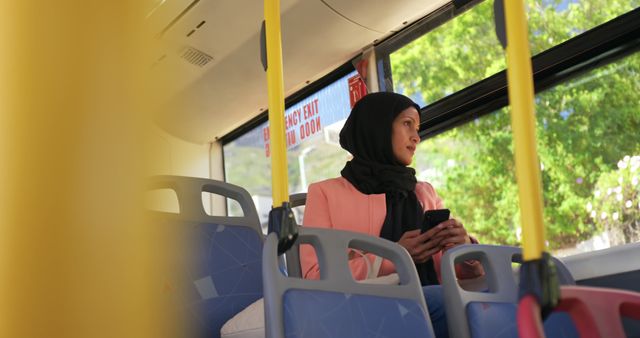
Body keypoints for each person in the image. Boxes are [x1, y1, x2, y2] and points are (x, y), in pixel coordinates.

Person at [300, 92, 483, 338]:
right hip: (362, 308)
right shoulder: (324, 193)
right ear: (378, 127)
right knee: (447, 301)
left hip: (431, 298)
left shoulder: (424, 192)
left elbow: (462, 274)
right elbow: (315, 277)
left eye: (417, 128)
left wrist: (463, 247)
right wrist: (397, 257)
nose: (416, 137)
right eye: (407, 124)